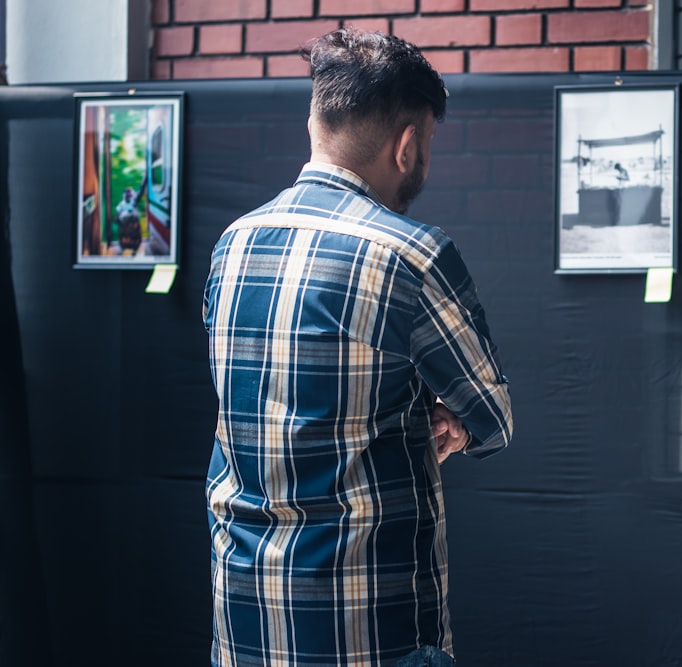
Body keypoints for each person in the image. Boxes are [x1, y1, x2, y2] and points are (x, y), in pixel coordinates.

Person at [202, 28, 514, 667]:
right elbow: (490, 413)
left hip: (246, 623)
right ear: (407, 144)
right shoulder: (410, 255)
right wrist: (448, 414)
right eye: (426, 142)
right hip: (371, 632)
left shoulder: (231, 246)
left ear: (316, 122)